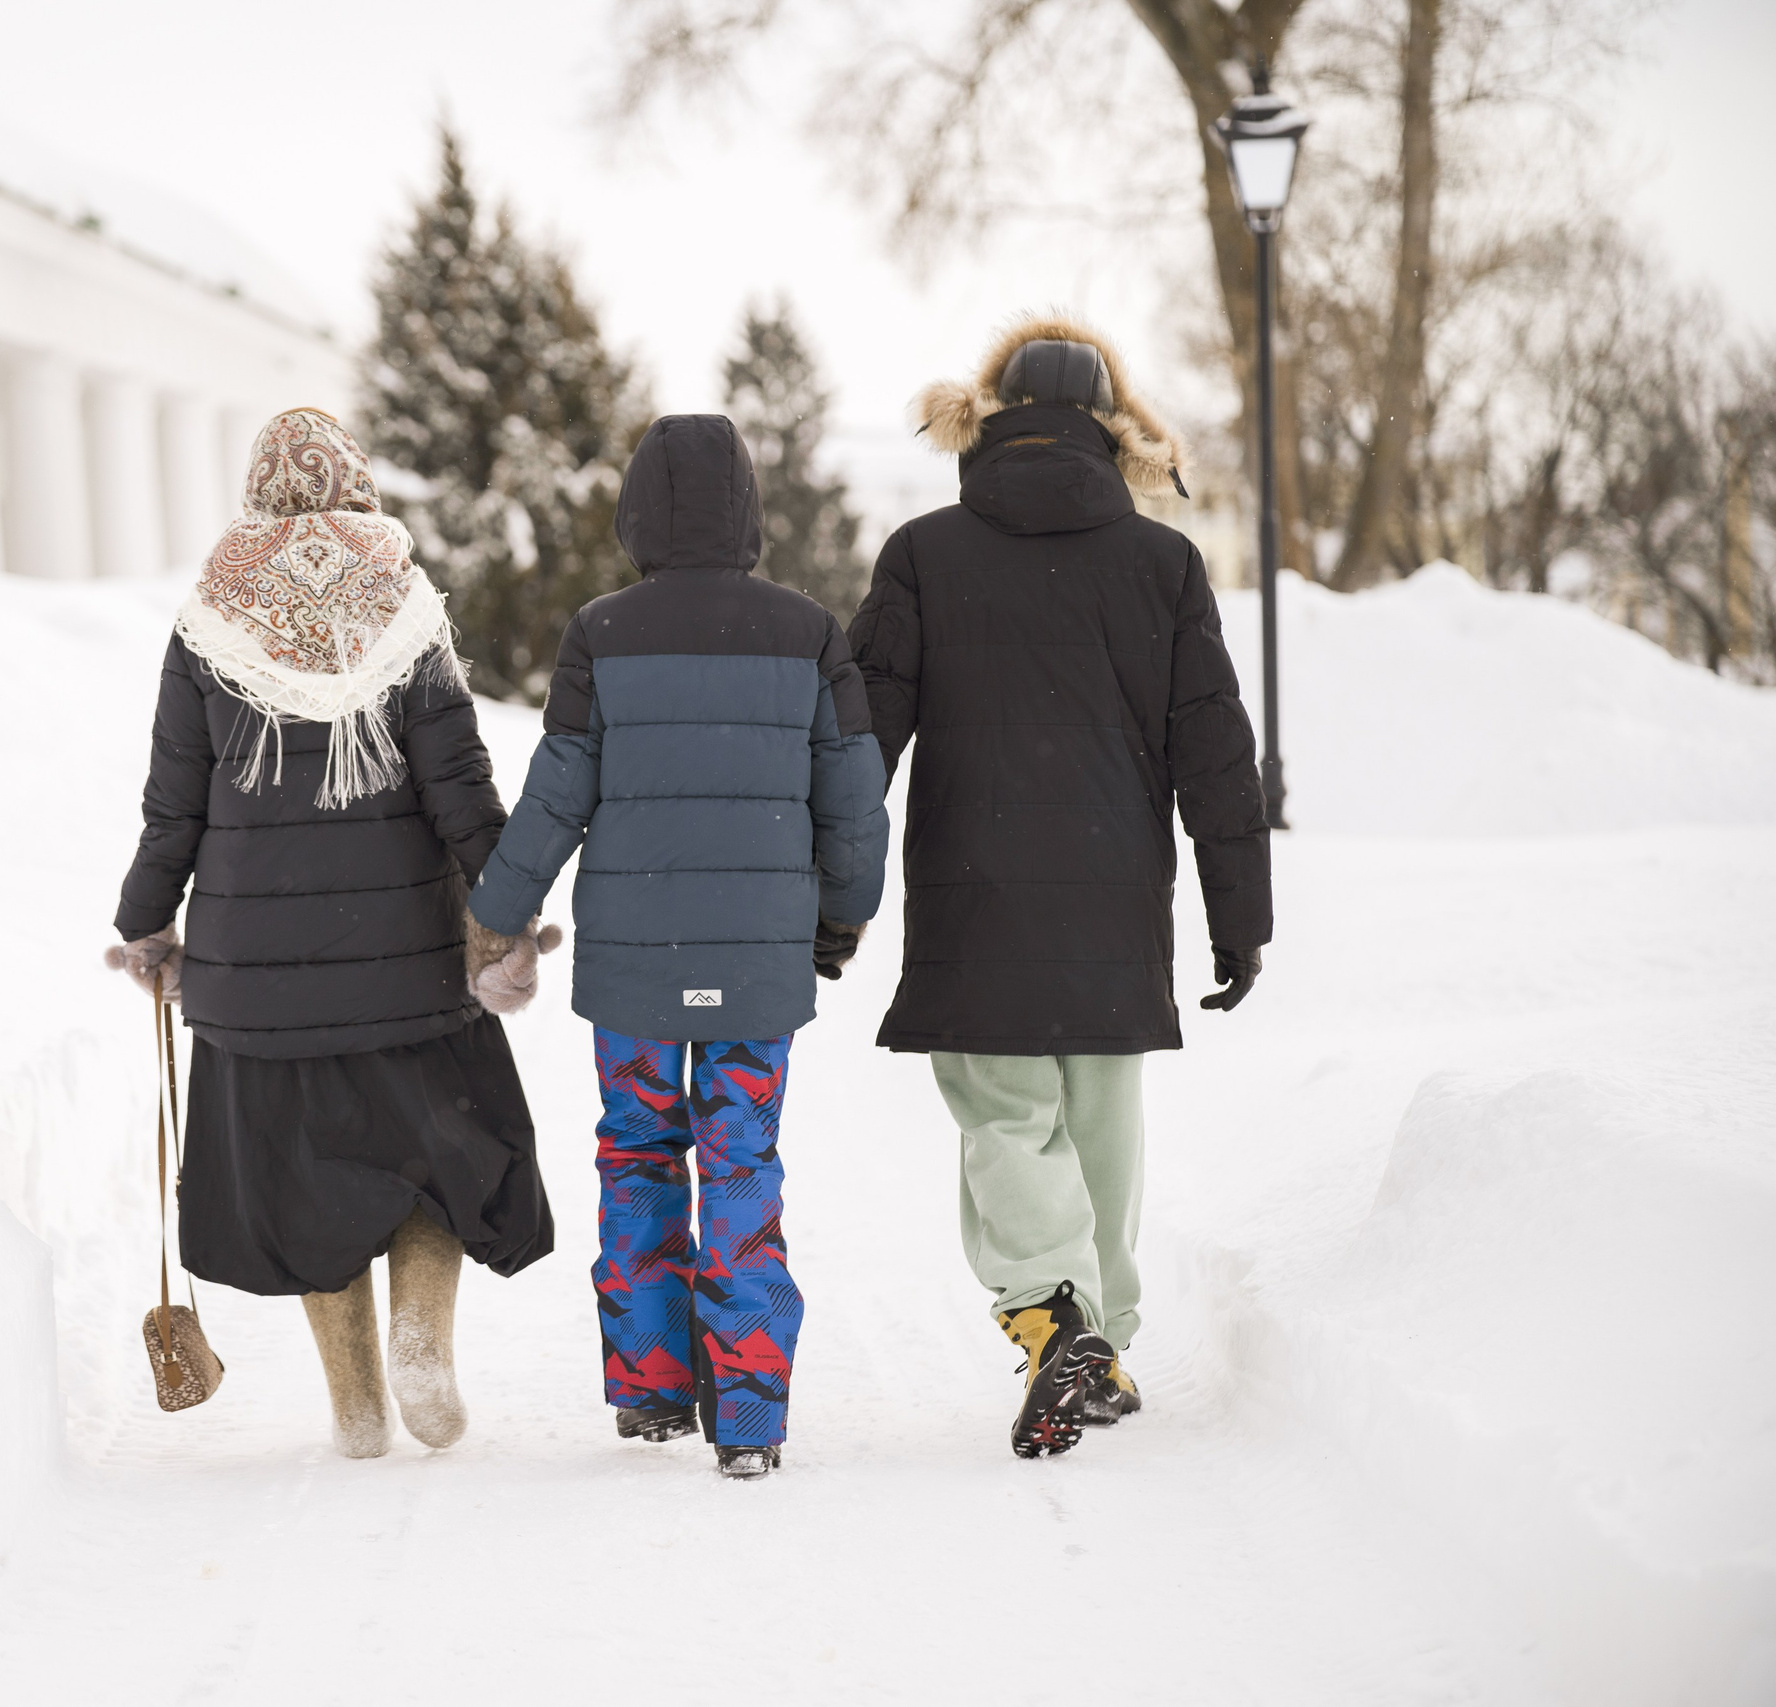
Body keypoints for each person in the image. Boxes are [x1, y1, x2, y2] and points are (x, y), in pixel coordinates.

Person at [850, 317, 1272, 1459]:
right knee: (1101, 1123)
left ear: (983, 420)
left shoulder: (923, 553)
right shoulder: (1163, 563)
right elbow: (1215, 756)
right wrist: (1240, 919)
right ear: (1114, 432)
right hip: (1113, 895)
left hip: (972, 892)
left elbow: (858, 743)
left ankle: (1054, 1321)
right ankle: (1102, 1337)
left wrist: (830, 892)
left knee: (1003, 1115)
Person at [107, 408, 558, 1459]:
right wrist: (508, 906)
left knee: (307, 1184)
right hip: (407, 964)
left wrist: (144, 924)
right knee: (436, 1157)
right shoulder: (402, 605)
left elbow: (174, 804)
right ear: (356, 484)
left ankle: (357, 1406)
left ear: (259, 492)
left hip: (254, 982)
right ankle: (421, 1344)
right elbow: (461, 787)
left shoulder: (209, 617)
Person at [468, 414, 891, 1480]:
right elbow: (853, 799)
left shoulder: (600, 632)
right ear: (746, 510)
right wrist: (841, 912)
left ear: (637, 513)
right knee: (741, 1160)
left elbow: (556, 793)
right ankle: (749, 1415)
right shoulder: (807, 632)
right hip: (755, 969)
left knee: (637, 1155)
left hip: (633, 968)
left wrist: (497, 911)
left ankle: (653, 1390)